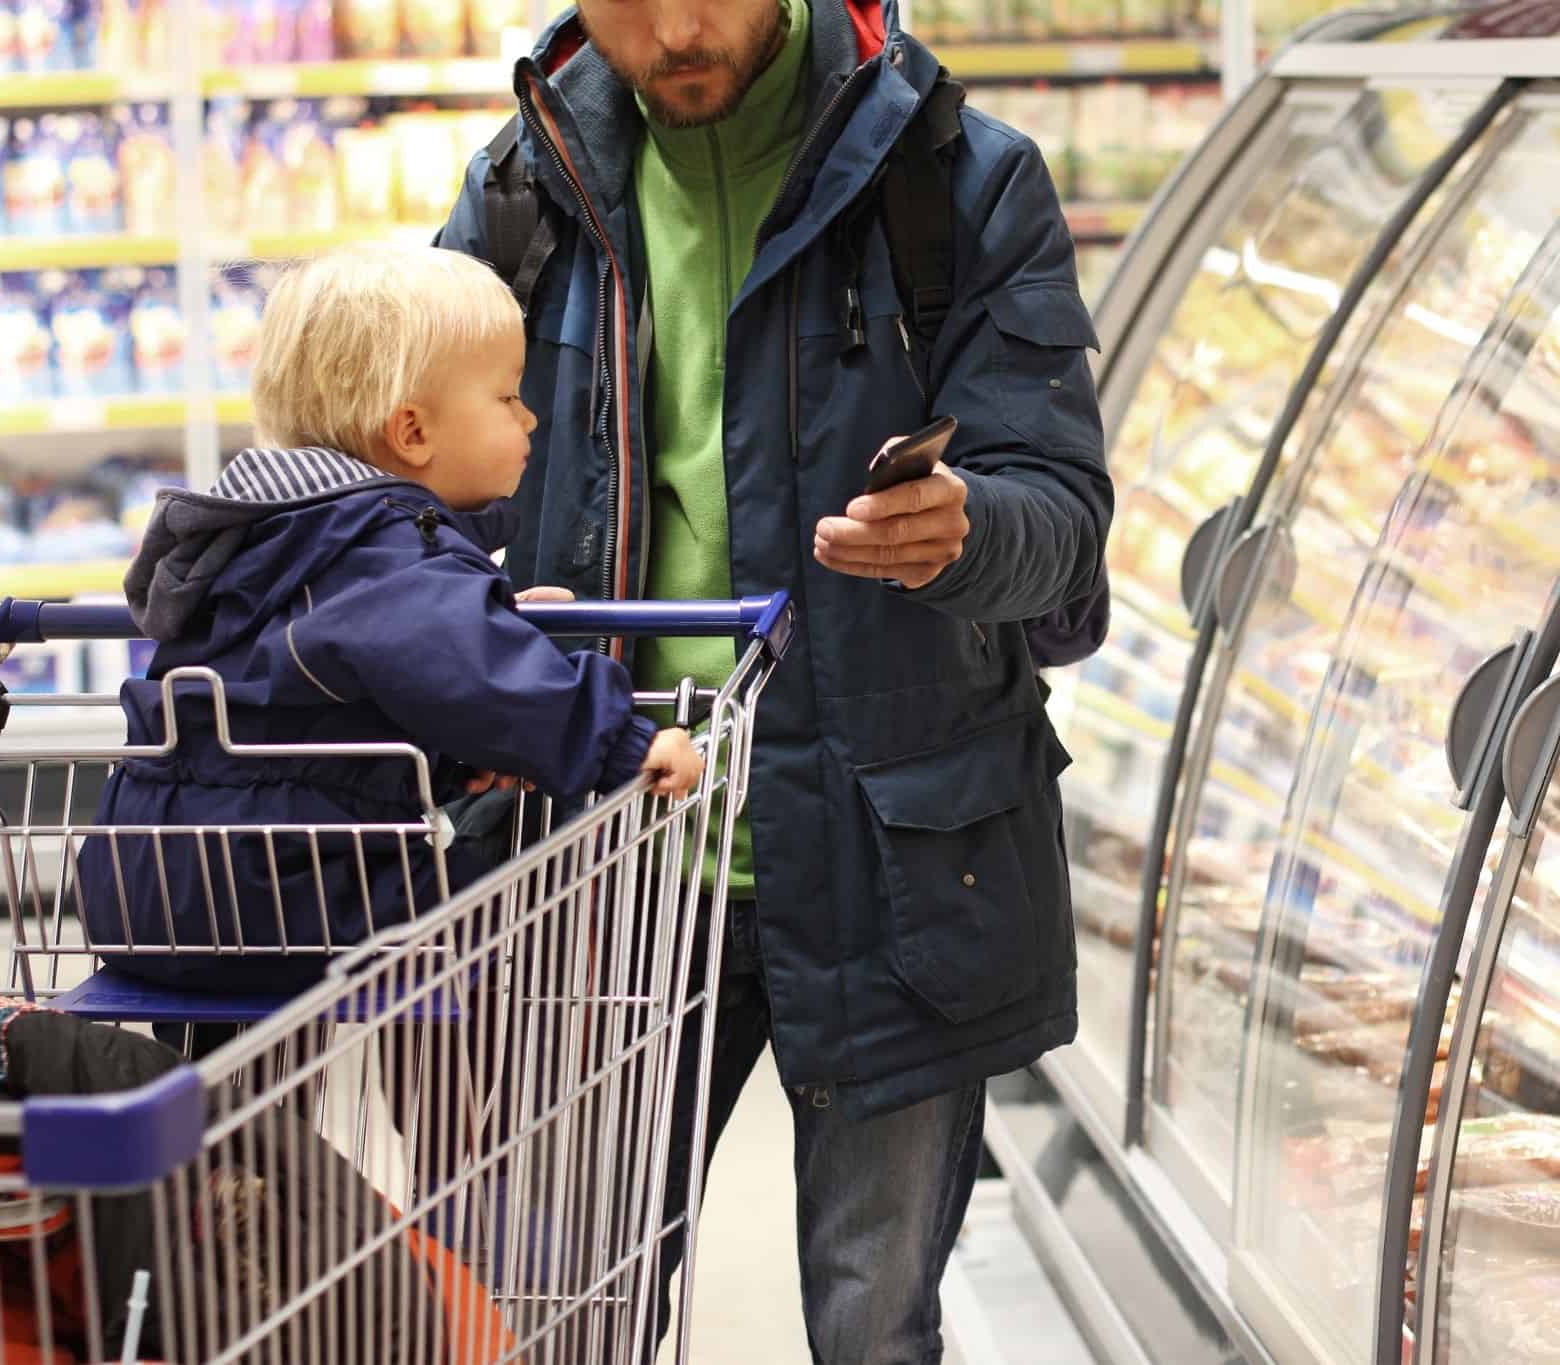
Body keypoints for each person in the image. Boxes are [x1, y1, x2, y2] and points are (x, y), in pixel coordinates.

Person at [436, 0, 1111, 1358]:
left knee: (875, 1327)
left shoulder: (959, 180)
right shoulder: (521, 192)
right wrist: (469, 611)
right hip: (599, 875)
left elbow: (1065, 522)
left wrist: (970, 528)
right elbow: (408, 497)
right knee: (565, 1318)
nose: (677, 31)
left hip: (894, 862)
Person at [80, 243, 704, 993]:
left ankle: (249, 1118)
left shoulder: (270, 536)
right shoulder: (387, 553)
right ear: (411, 433)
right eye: (508, 396)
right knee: (476, 917)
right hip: (283, 889)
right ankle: (465, 1117)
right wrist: (623, 741)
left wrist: (471, 678)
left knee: (241, 1082)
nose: (531, 415)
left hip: (150, 882)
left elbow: (309, 707)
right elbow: (473, 669)